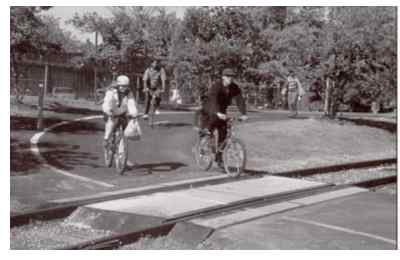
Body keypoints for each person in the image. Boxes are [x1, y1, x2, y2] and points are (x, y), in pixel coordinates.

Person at [198, 68, 248, 167]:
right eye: (228, 76)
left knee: (224, 133)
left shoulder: (234, 87)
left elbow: (240, 100)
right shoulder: (216, 86)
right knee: (209, 127)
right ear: (223, 77)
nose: (230, 78)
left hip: (222, 109)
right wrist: (217, 112)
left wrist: (243, 114)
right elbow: (212, 100)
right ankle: (203, 144)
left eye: (232, 77)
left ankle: (219, 157)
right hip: (209, 107)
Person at [102, 75, 139, 147]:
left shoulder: (129, 93)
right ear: (118, 85)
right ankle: (106, 139)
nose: (123, 88)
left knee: (127, 127)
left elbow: (131, 104)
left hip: (122, 113)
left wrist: (134, 113)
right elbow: (107, 102)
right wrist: (108, 110)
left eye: (125, 86)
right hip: (111, 112)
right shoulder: (111, 91)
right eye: (121, 86)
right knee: (111, 123)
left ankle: (122, 149)